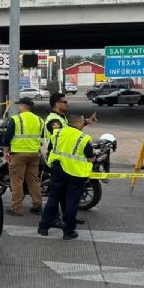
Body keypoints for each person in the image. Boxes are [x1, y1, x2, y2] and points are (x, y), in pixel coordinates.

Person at [38, 113, 95, 240]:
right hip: (75, 174)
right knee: (72, 202)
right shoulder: (84, 138)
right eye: (82, 121)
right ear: (79, 122)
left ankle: (43, 227)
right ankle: (68, 232)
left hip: (58, 170)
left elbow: (51, 149)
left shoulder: (57, 133)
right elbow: (91, 157)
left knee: (53, 199)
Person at [42, 93, 97, 225]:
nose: (67, 104)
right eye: (64, 102)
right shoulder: (53, 121)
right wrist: (82, 125)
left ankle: (69, 217)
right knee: (57, 194)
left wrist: (85, 122)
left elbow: (71, 131)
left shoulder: (61, 118)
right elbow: (66, 135)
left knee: (64, 193)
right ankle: (54, 219)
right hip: (57, 160)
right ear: (57, 103)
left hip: (64, 160)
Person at [2, 98, 44, 216]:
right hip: (34, 154)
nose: (18, 108)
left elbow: (7, 136)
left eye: (19, 105)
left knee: (17, 181)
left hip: (18, 154)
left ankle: (16, 208)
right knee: (33, 181)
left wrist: (6, 151)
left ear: (23, 106)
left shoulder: (16, 119)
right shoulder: (39, 120)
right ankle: (37, 205)